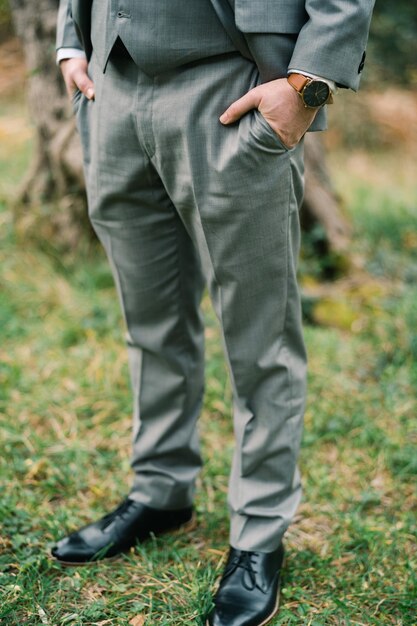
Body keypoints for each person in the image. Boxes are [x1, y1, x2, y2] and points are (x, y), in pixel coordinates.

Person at [52, 1, 375, 624]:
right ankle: (161, 489)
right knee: (149, 321)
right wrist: (72, 38)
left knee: (260, 340)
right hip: (110, 90)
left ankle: (258, 532)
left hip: (235, 84)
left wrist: (306, 85)